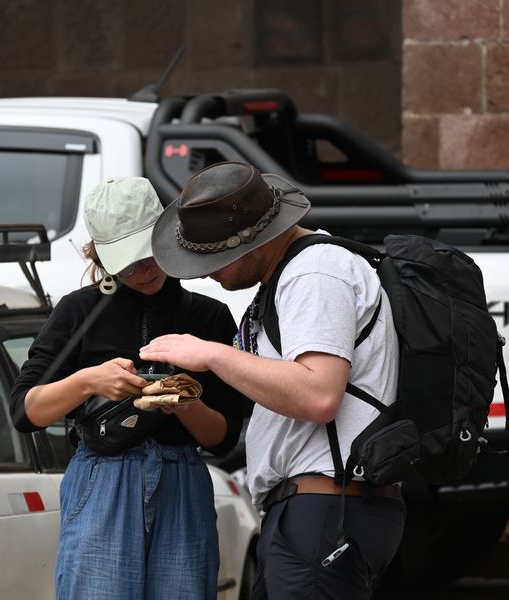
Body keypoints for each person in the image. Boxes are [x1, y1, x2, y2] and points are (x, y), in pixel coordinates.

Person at [140, 161, 406, 599]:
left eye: (212, 256)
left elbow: (319, 394)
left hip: (325, 506)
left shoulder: (313, 274)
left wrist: (211, 353)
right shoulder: (293, 274)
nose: (205, 272)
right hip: (315, 508)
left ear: (251, 240)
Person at [10, 176, 247, 600]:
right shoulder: (79, 310)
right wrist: (89, 380)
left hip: (183, 477)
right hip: (103, 473)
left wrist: (183, 402)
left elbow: (225, 437)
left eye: (149, 254)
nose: (143, 270)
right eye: (128, 261)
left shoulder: (208, 315)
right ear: (100, 255)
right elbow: (26, 412)